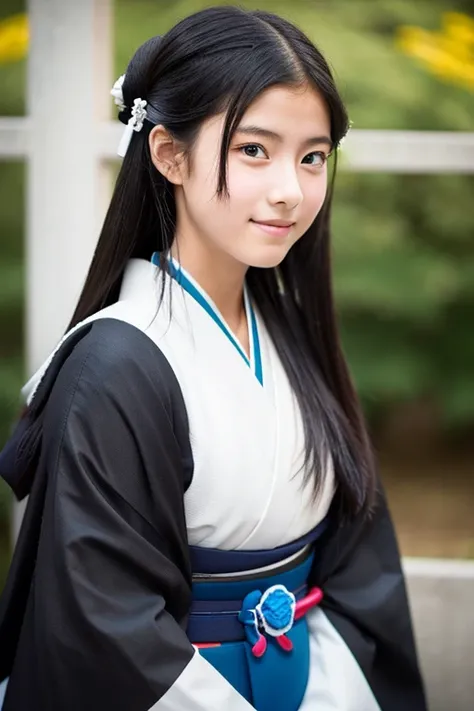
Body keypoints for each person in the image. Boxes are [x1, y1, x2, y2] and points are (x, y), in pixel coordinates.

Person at [0, 5, 427, 710]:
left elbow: (356, 569)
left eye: (312, 156)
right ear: (169, 154)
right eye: (254, 150)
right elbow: (108, 624)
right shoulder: (115, 366)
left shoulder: (292, 334)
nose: (290, 189)